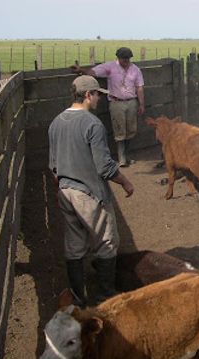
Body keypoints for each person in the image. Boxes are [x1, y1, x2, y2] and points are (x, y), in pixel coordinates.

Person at [48, 75, 135, 306]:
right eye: (97, 94)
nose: (99, 99)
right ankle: (106, 294)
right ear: (88, 95)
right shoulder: (92, 124)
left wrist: (62, 190)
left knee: (75, 245)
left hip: (66, 191)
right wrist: (125, 181)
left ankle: (78, 297)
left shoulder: (56, 122)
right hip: (89, 193)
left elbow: (53, 166)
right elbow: (104, 166)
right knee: (106, 241)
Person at [72, 47, 145, 167]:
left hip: (132, 101)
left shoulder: (135, 70)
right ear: (118, 58)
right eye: (123, 58)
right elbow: (94, 72)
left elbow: (140, 87)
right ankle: (122, 158)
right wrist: (81, 70)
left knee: (131, 129)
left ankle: (127, 155)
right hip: (116, 102)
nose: (126, 60)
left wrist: (141, 104)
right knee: (119, 130)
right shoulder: (110, 67)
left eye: (128, 58)